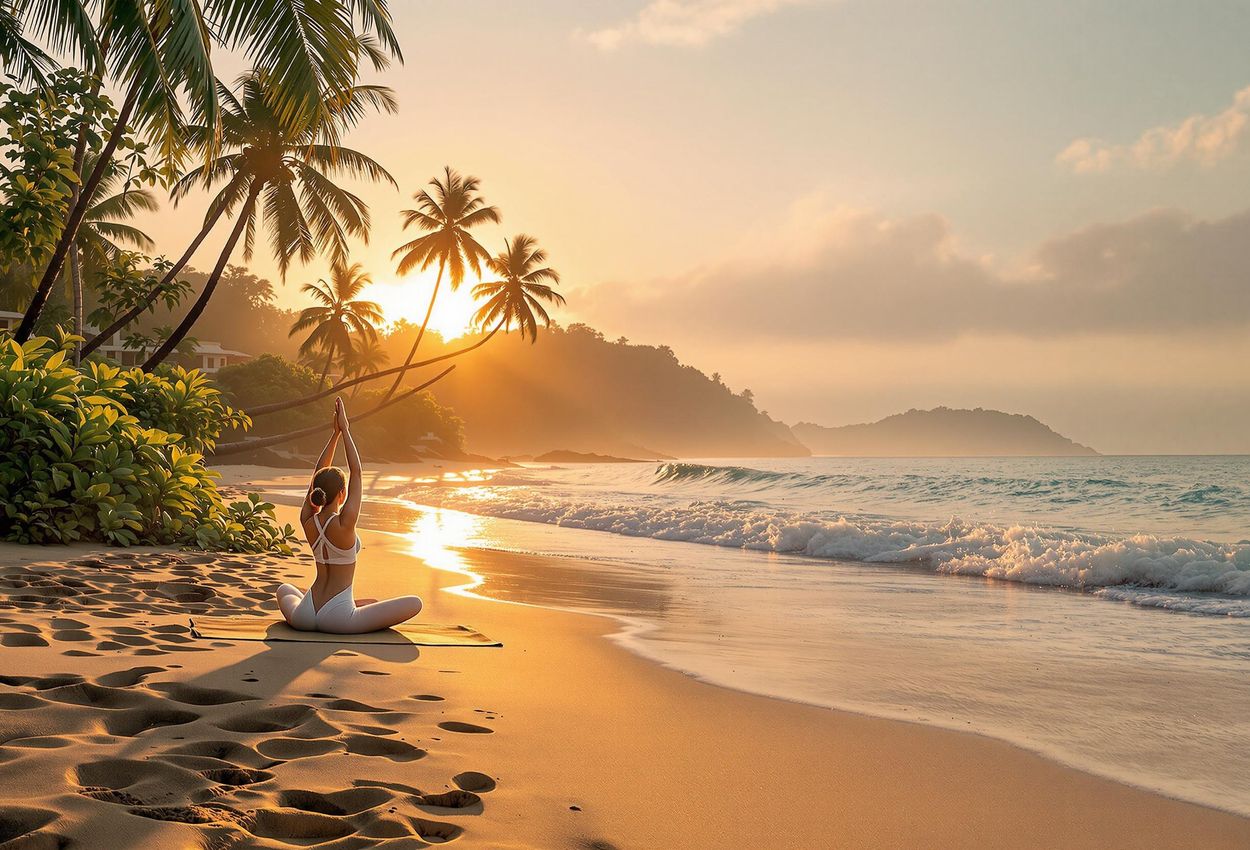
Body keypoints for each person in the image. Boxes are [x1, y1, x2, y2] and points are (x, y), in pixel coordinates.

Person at [276, 397, 423, 633]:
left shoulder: (308, 520)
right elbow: (357, 472)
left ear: (316, 490)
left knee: (284, 589)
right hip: (338, 617)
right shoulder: (344, 524)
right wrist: (345, 431)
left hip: (306, 613)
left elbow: (318, 472)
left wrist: (333, 435)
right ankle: (355, 608)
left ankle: (350, 607)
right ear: (342, 494)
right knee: (415, 603)